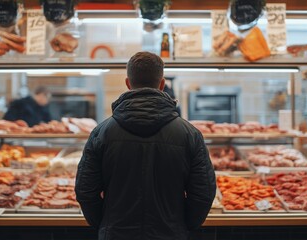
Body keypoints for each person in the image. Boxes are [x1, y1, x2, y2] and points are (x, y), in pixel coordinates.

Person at [75, 52, 216, 240]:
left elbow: (85, 192)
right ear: (162, 84)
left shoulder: (101, 133)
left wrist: (106, 223)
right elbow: (203, 194)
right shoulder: (190, 134)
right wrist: (182, 225)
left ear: (128, 83)